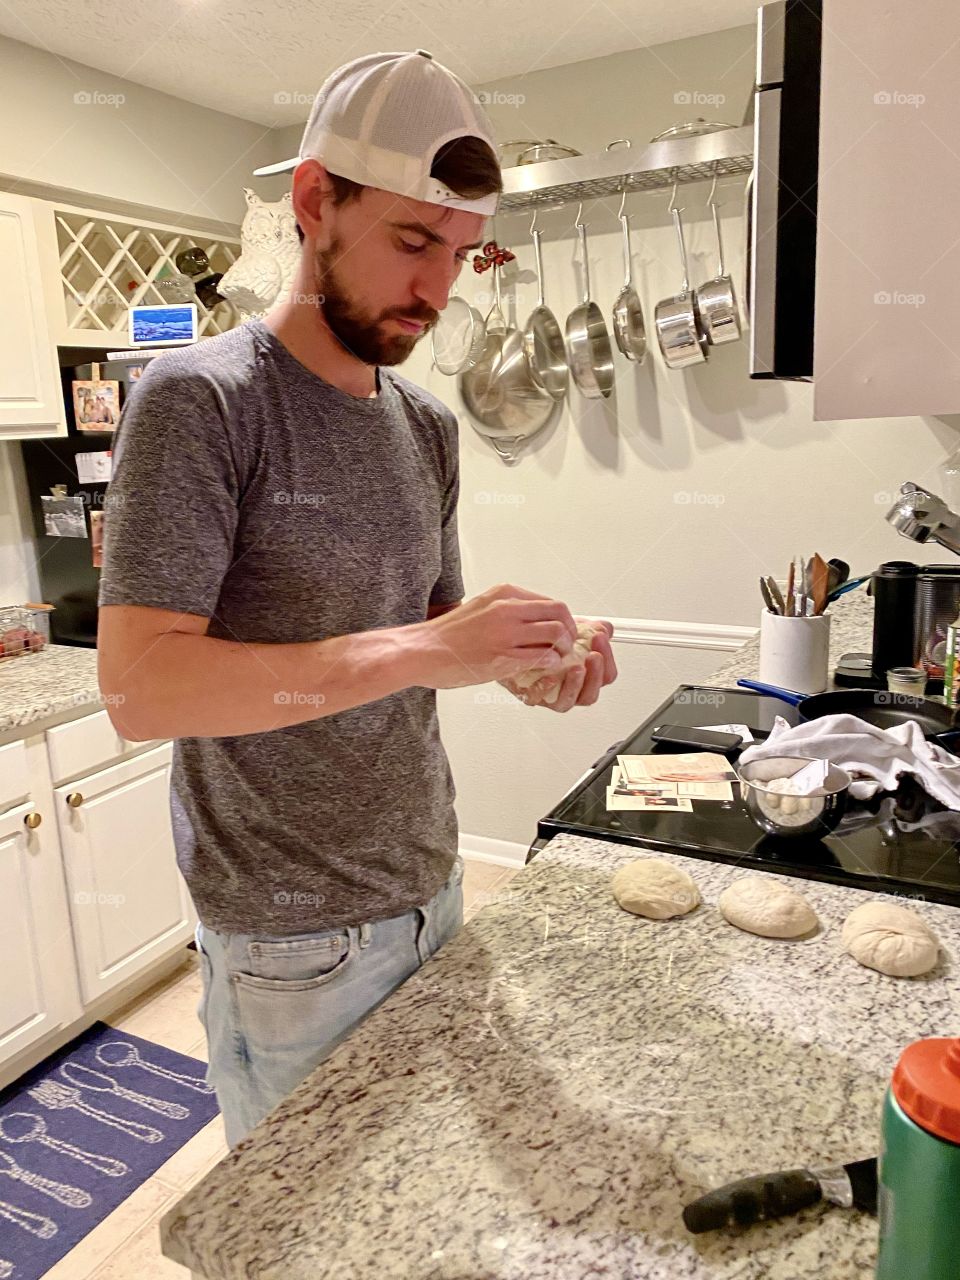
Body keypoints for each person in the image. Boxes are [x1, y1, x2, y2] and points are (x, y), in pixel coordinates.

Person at [97, 49, 618, 1149]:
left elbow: (430, 642)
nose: (438, 290)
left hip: (433, 884)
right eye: (414, 242)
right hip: (291, 943)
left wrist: (529, 663)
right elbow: (142, 690)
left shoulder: (426, 426)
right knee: (298, 1229)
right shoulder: (202, 400)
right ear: (314, 200)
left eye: (462, 254)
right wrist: (431, 652)